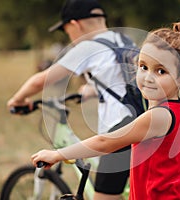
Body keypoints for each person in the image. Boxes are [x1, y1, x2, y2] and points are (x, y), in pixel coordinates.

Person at [31, 21, 180, 199]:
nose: (148, 77)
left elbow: (106, 142)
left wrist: (58, 154)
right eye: (143, 67)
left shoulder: (158, 116)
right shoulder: (175, 107)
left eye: (161, 71)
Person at [7, 0, 136, 199]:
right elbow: (121, 77)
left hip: (118, 131)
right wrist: (93, 89)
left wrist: (17, 99)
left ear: (75, 25)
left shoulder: (89, 47)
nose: (70, 38)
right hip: (141, 121)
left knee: (104, 196)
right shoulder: (123, 39)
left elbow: (43, 79)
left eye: (67, 32)